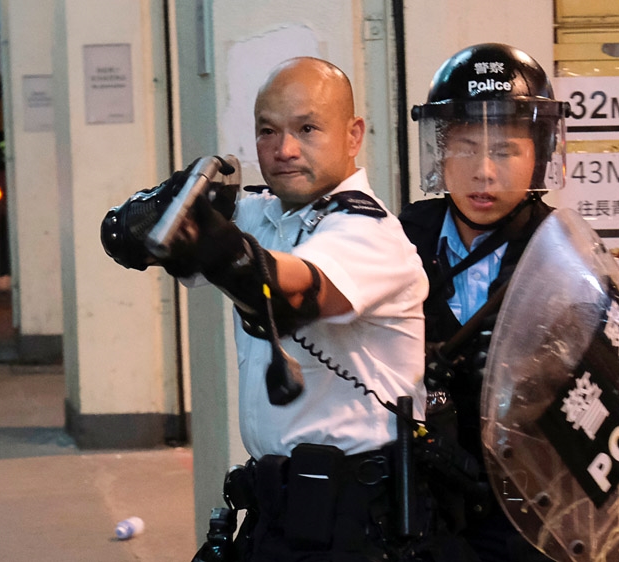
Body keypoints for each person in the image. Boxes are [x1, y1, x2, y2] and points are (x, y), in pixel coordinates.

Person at [102, 57, 440, 561]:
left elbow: (295, 294)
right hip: (276, 508)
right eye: (267, 131)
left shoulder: (371, 234)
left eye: (307, 128)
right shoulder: (261, 214)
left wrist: (213, 242)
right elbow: (122, 238)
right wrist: (152, 213)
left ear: (353, 135)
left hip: (358, 521)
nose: (283, 150)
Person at [400, 43, 570, 562]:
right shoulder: (402, 239)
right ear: (440, 152)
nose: (483, 172)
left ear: (538, 154)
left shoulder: (562, 253)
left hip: (532, 506)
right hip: (427, 501)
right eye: (466, 147)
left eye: (504, 151)